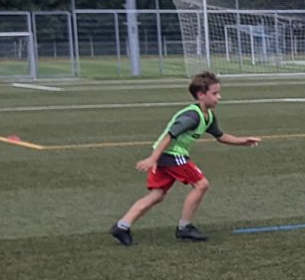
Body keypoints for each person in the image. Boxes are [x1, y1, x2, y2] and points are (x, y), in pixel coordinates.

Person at [110, 71, 260, 245]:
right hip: (171, 155)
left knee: (157, 195)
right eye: (215, 93)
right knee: (201, 184)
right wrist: (153, 158)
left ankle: (122, 226)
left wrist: (243, 141)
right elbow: (169, 136)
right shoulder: (192, 116)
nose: (219, 97)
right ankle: (184, 228)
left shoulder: (208, 116)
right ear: (201, 95)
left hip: (167, 156)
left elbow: (220, 136)